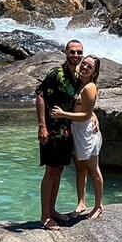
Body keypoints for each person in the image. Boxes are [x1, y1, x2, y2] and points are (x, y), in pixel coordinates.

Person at [35, 39, 83, 229]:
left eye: (79, 52)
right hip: (52, 130)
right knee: (50, 172)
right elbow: (40, 95)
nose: (76, 56)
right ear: (65, 52)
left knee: (59, 171)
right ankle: (45, 216)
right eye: (72, 52)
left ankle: (52, 210)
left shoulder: (78, 76)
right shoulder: (56, 74)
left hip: (67, 131)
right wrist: (42, 126)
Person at [51, 55, 104, 219]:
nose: (85, 67)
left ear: (94, 72)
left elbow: (86, 114)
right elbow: (89, 110)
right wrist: (93, 114)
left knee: (93, 169)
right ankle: (81, 202)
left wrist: (62, 114)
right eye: (84, 64)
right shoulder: (77, 82)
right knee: (80, 168)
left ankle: (98, 206)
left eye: (90, 66)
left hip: (87, 133)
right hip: (76, 130)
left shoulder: (89, 87)